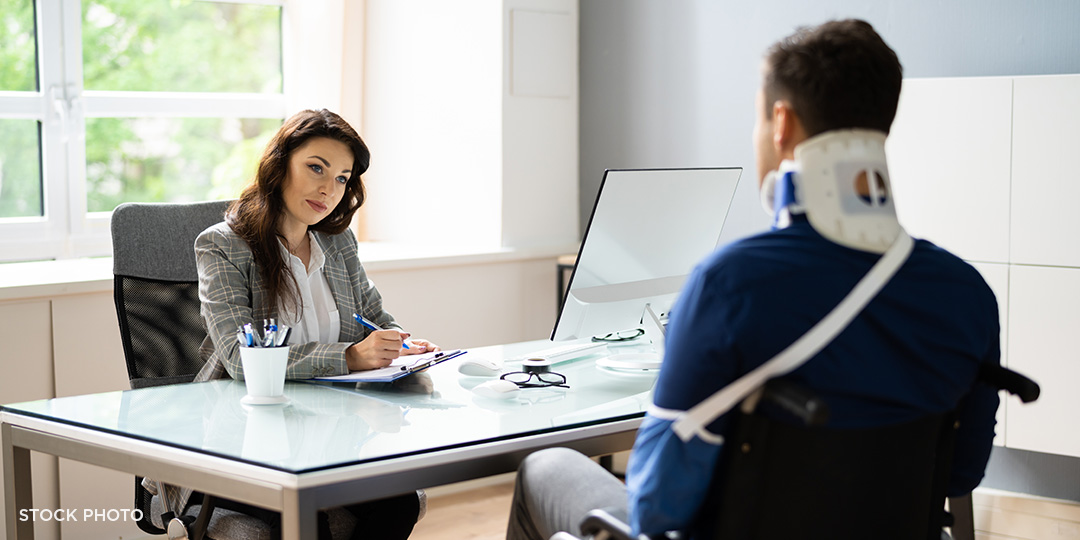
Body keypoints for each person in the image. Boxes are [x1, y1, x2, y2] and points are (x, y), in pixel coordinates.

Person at [506, 19, 1000, 540]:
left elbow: (656, 508)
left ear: (781, 123)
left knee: (546, 467)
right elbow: (961, 472)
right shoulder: (966, 294)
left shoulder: (730, 285)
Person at [146, 108, 435, 539]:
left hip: (331, 431)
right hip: (246, 439)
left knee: (400, 500)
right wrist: (349, 358)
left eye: (341, 177)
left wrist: (401, 345)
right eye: (316, 167)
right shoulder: (222, 246)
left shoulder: (337, 243)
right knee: (305, 514)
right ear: (280, 165)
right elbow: (241, 360)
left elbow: (373, 319)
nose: (328, 188)